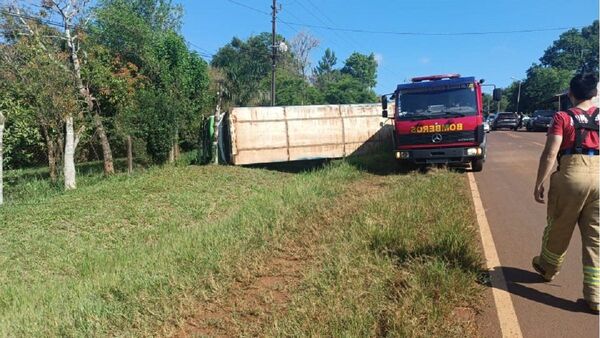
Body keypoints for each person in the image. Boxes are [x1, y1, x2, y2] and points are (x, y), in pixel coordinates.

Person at [532, 73, 599, 312]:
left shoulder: (563, 117)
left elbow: (551, 153)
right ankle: (595, 296)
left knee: (559, 225)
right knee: (596, 237)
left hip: (572, 173)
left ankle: (548, 268)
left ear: (570, 94)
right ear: (595, 93)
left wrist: (539, 182)